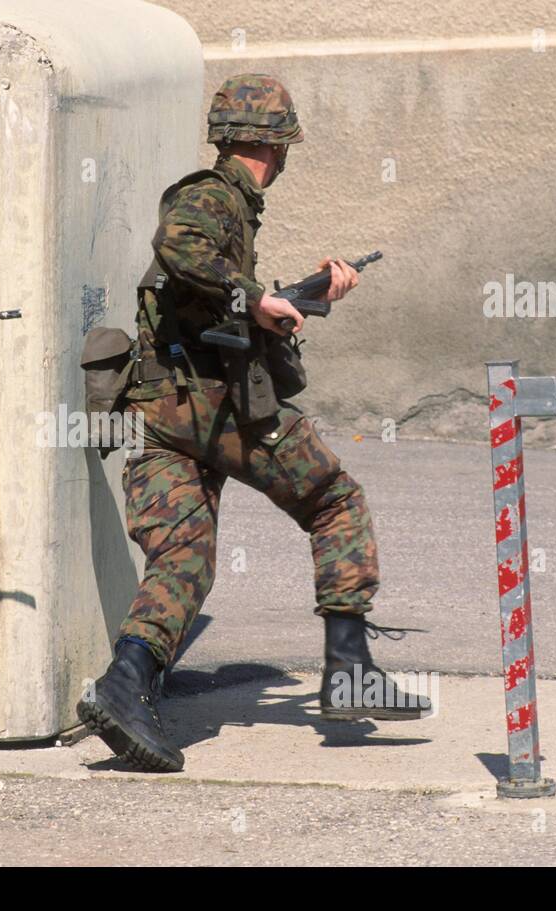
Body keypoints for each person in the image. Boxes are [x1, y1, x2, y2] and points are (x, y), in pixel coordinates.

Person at [78, 75, 430, 773]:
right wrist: (257, 297)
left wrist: (304, 293)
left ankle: (123, 686)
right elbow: (179, 246)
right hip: (219, 408)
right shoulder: (210, 197)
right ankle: (348, 666)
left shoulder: (230, 208)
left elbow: (215, 300)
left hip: (160, 415)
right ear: (276, 143)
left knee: (183, 558)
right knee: (334, 502)